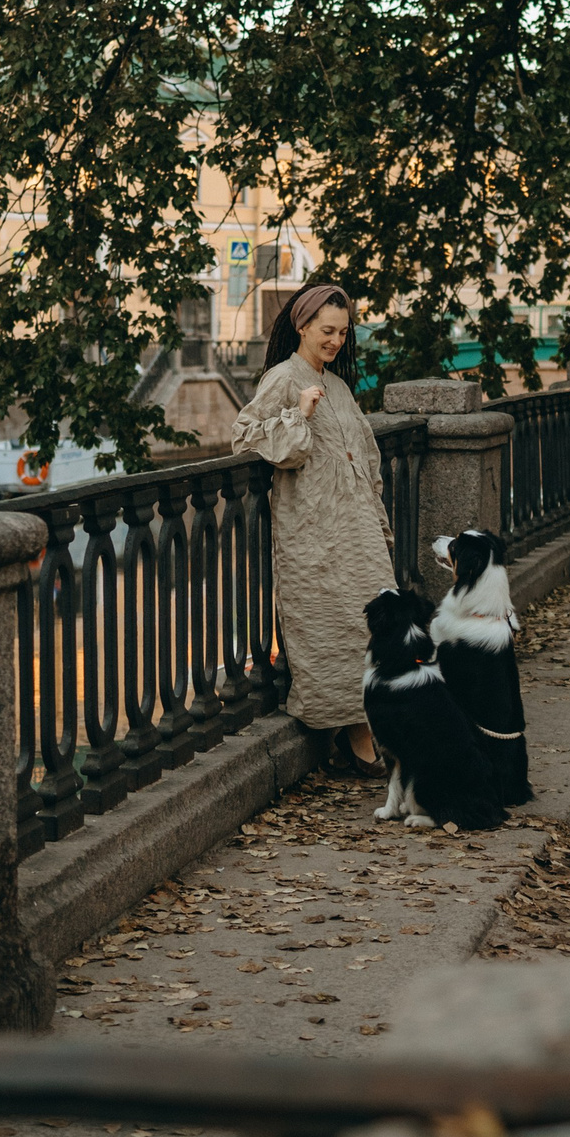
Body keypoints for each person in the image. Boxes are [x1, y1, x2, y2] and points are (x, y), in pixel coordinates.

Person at [231, 282, 394, 778]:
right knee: (330, 627)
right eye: (327, 330)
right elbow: (245, 436)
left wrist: (376, 519)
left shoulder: (339, 386)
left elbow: (364, 455)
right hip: (314, 533)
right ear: (302, 326)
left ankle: (369, 722)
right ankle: (354, 733)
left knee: (374, 628)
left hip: (357, 530)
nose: (336, 340)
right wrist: (297, 413)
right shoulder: (283, 379)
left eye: (343, 332)